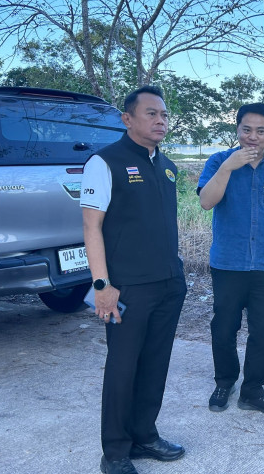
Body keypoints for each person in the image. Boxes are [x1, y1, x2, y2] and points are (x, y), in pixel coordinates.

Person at [81, 85, 187, 474]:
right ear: (127, 119)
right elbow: (91, 228)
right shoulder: (104, 162)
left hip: (168, 283)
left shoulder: (167, 166)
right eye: (151, 113)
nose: (161, 120)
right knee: (123, 369)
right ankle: (115, 451)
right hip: (127, 288)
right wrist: (101, 286)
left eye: (164, 114)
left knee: (155, 364)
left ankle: (145, 435)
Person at [198, 103, 264, 416]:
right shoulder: (219, 161)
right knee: (224, 328)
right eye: (246, 129)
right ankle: (225, 382)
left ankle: (253, 390)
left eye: (261, 130)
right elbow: (206, 202)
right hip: (228, 263)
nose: (253, 136)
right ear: (237, 130)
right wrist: (227, 168)